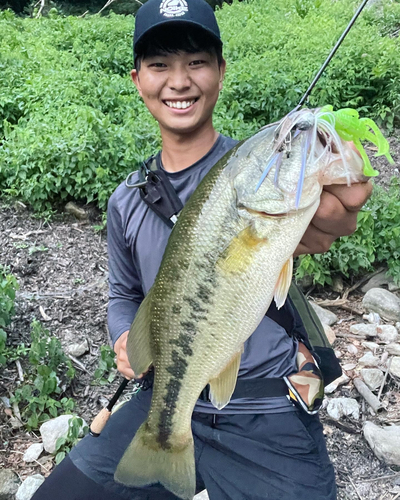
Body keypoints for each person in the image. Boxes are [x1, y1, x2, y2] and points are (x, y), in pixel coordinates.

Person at [33, 0, 372, 499]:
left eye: (196, 61)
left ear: (220, 71)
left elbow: (327, 225)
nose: (179, 80)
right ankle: (167, 445)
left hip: (266, 407)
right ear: (137, 79)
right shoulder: (126, 200)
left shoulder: (257, 163)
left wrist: (337, 195)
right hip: (165, 399)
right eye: (159, 64)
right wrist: (126, 336)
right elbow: (123, 293)